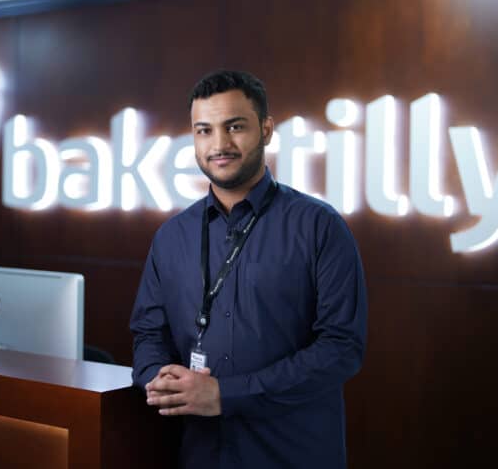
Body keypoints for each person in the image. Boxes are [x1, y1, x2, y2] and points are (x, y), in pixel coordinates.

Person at [130, 70, 367, 468]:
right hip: (200, 453)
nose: (219, 144)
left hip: (291, 454)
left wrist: (226, 395)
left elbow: (341, 347)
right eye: (204, 131)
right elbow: (149, 332)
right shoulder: (171, 237)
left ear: (267, 129)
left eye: (235, 126)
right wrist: (158, 377)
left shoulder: (320, 227)